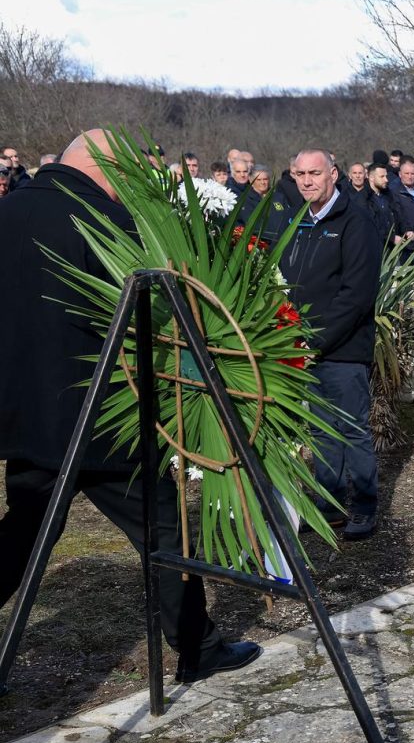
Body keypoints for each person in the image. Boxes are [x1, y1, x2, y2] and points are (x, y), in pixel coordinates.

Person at [0, 130, 260, 682]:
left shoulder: (8, 210)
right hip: (102, 417)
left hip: (29, 416)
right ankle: (198, 648)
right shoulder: (106, 223)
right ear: (101, 168)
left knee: (22, 529)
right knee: (164, 527)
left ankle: (199, 644)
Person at [282, 149, 382, 541]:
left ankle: (363, 506)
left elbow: (355, 295)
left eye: (315, 173)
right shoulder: (298, 221)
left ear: (333, 174)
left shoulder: (355, 221)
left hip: (342, 349)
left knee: (352, 428)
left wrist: (315, 341)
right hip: (305, 349)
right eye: (300, 174)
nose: (307, 181)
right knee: (321, 432)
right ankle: (330, 505)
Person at [364, 163, 398, 246]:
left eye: (386, 176)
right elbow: (370, 226)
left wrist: (406, 231)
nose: (386, 179)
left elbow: (397, 216)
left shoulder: (388, 195)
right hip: (375, 247)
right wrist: (391, 238)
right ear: (371, 178)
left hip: (392, 248)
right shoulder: (364, 198)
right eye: (382, 176)